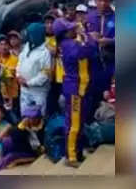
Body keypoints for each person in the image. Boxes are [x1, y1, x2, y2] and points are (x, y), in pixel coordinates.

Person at [54, 18, 99, 168]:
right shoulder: (68, 45)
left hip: (80, 89)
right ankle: (71, 156)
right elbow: (88, 50)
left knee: (79, 123)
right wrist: (86, 34)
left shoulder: (70, 43)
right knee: (74, 125)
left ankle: (77, 152)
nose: (74, 30)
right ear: (65, 33)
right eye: (72, 28)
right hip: (75, 90)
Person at [16, 23, 52, 115]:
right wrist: (18, 76)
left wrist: (28, 83)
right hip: (24, 89)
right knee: (24, 115)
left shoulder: (45, 52)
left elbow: (45, 74)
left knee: (37, 116)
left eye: (31, 34)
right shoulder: (27, 46)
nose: (29, 36)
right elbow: (20, 61)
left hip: (37, 91)